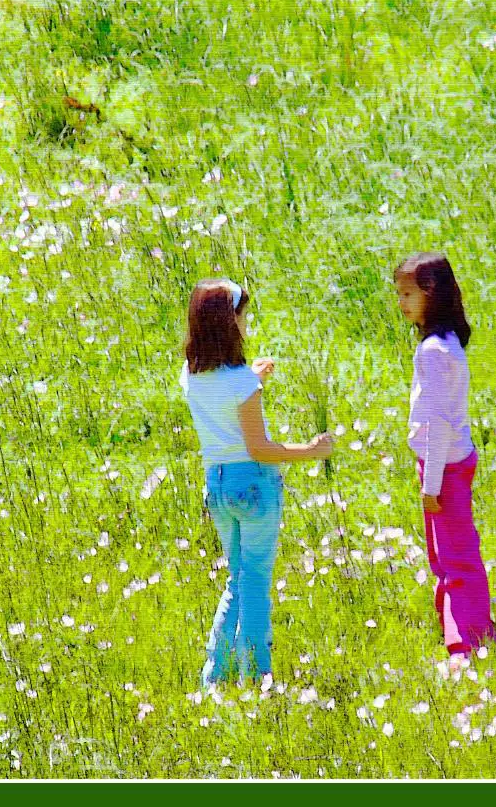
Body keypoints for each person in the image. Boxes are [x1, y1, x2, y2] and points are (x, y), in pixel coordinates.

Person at [179, 277, 333, 688]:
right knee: (256, 584)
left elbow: (224, 395)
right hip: (253, 486)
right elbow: (260, 448)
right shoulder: (242, 385)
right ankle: (258, 675)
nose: (246, 324)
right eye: (242, 316)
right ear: (230, 324)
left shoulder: (191, 377)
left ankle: (215, 674)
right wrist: (310, 450)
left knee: (238, 578)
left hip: (218, 485)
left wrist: (254, 377)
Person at [394, 252, 496, 656]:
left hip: (444, 466)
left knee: (456, 559)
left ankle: (465, 647)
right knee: (448, 555)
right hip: (450, 460)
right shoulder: (446, 343)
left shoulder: (433, 352)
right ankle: (464, 629)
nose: (401, 303)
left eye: (407, 294)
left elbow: (438, 423)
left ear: (431, 294)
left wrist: (431, 482)